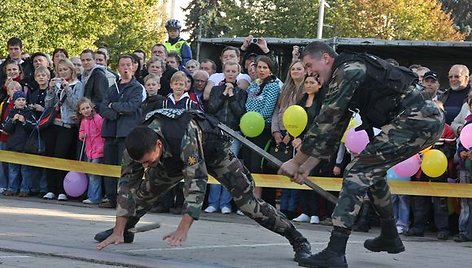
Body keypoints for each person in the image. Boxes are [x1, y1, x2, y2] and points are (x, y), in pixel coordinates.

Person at [278, 41, 444, 267]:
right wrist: (306, 167)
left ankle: (335, 251)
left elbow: (325, 121)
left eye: (309, 65)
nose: (309, 72)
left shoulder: (348, 70)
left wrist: (295, 161)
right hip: (419, 120)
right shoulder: (345, 73)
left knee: (356, 171)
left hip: (416, 119)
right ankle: (390, 236)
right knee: (370, 171)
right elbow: (336, 127)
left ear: (326, 58)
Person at [93, 109, 312, 263]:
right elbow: (126, 187)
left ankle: (297, 239)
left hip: (214, 155)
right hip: (170, 159)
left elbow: (196, 181)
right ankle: (125, 232)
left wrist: (183, 228)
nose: (146, 166)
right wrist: (118, 228)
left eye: (148, 162)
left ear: (158, 145)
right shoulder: (135, 147)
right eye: (142, 163)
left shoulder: (185, 135)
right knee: (143, 194)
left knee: (249, 205)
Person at [99, 54, 143, 209]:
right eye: (122, 65)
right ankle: (110, 198)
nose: (125, 67)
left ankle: (123, 199)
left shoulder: (137, 88)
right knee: (109, 167)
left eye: (128, 65)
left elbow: (131, 106)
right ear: (118, 67)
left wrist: (114, 106)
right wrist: (116, 112)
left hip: (126, 133)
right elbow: (103, 107)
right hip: (110, 132)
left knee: (125, 168)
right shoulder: (112, 88)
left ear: (133, 67)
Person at [204, 60, 247, 214]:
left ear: (237, 73)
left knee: (230, 168)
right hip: (217, 132)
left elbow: (240, 113)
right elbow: (211, 108)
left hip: (233, 132)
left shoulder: (241, 92)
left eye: (233, 72)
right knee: (216, 167)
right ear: (224, 72)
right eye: (228, 71)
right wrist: (223, 95)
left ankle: (226, 203)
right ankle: (213, 203)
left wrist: (232, 96)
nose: (230, 74)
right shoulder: (215, 90)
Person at [42, 59, 84, 201]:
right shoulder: (57, 84)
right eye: (60, 70)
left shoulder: (78, 85)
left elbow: (76, 105)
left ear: (71, 70)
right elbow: (48, 104)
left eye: (65, 69)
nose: (63, 72)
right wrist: (51, 89)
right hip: (53, 123)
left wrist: (67, 89)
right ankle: (50, 189)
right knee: (50, 155)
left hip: (67, 125)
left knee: (61, 156)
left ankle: (62, 189)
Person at [271, 59, 306, 219]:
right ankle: (283, 206)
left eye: (299, 69)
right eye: (293, 69)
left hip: (298, 135)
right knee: (284, 168)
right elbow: (277, 111)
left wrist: (291, 135)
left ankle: (293, 208)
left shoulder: (307, 90)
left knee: (296, 169)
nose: (296, 72)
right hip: (281, 132)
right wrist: (276, 131)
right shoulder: (285, 89)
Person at [1, 91, 36, 197]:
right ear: (14, 102)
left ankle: (24, 189)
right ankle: (12, 188)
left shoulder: (29, 113)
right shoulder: (11, 113)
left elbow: (34, 126)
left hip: (25, 146)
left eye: (23, 100)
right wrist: (13, 120)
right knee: (13, 169)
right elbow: (5, 128)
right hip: (13, 145)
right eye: (18, 100)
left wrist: (24, 121)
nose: (21, 102)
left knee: (25, 170)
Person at [77, 97, 105, 204]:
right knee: (90, 174)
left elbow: (103, 132)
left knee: (94, 175)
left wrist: (102, 146)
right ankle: (91, 195)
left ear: (92, 107)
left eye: (87, 107)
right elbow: (81, 131)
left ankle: (94, 197)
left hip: (98, 151)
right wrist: (82, 135)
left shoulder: (98, 118)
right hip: (89, 151)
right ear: (80, 111)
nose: (86, 110)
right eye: (83, 109)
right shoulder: (84, 121)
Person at [455, 96, 472, 242]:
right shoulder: (467, 123)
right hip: (464, 167)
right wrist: (462, 151)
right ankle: (463, 231)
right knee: (465, 201)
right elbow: (462, 141)